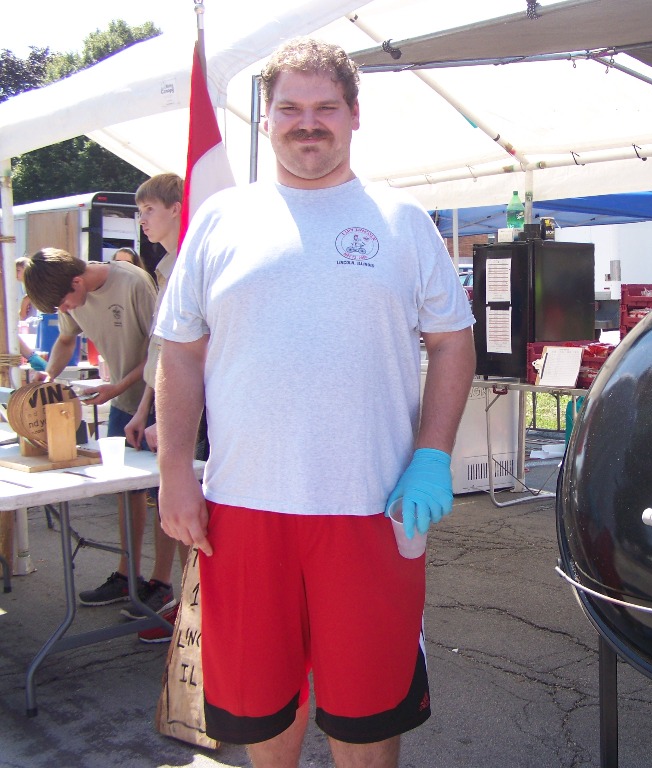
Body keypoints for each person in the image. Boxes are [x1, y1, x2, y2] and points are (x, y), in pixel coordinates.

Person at [154, 37, 476, 768]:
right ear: (266, 119)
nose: (308, 123)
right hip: (241, 511)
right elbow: (181, 351)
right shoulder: (219, 221)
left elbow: (453, 342)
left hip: (371, 510)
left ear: (354, 115)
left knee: (367, 715)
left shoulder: (403, 220)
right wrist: (174, 471)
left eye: (325, 107)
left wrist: (432, 454)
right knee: (262, 708)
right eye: (290, 108)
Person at [22, 248, 162, 611]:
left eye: (65, 303)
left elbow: (160, 350)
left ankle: (162, 584)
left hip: (158, 400)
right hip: (122, 402)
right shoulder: (67, 294)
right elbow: (66, 339)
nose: (66, 310)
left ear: (77, 281)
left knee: (165, 494)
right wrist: (48, 375)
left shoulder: (132, 283)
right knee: (126, 493)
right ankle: (127, 576)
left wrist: (117, 388)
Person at [120, 173, 190, 642]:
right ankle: (186, 599)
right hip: (165, 400)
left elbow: (185, 353)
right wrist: (145, 409)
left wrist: (165, 415)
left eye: (149, 210)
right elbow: (159, 352)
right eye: (140, 211)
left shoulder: (188, 262)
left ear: (176, 209)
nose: (142, 220)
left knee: (190, 508)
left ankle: (196, 609)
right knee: (177, 506)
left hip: (191, 408)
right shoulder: (165, 266)